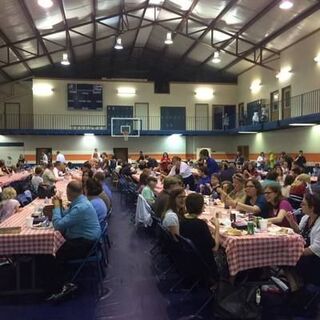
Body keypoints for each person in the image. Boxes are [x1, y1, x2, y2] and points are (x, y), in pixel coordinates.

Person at [285, 190, 320, 288]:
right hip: (304, 252)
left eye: (303, 204)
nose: (300, 205)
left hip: (315, 258)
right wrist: (291, 221)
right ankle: (294, 284)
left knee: (285, 261)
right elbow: (299, 232)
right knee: (283, 261)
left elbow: (316, 248)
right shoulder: (306, 218)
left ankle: (296, 286)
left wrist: (295, 253)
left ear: (312, 207)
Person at [180, 193, 219, 280]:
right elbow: (215, 248)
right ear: (201, 208)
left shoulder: (182, 220)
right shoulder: (201, 225)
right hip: (202, 261)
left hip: (187, 257)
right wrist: (217, 228)